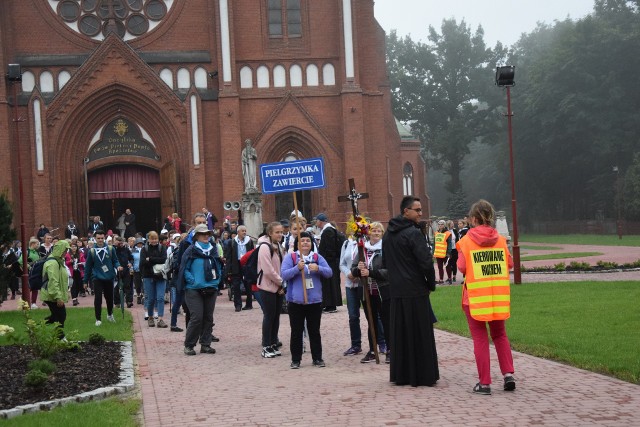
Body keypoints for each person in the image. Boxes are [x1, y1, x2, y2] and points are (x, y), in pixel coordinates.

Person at [456, 199, 516, 395]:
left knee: (480, 338)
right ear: (490, 217)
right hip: (497, 296)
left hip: (474, 298)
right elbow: (509, 264)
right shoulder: (500, 239)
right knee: (500, 335)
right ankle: (508, 375)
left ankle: (485, 383)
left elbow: (462, 267)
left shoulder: (465, 241)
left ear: (473, 219)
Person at [382, 196, 439, 387]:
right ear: (406, 211)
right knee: (420, 333)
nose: (421, 213)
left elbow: (385, 263)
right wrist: (430, 284)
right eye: (418, 210)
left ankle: (402, 374)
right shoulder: (413, 233)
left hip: (396, 290)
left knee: (401, 334)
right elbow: (425, 262)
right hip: (415, 290)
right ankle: (423, 374)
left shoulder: (388, 235)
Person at [281, 231, 333, 368]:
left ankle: (317, 358)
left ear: (311, 244)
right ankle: (296, 359)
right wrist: (297, 268)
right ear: (297, 244)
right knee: (296, 331)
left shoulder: (316, 257)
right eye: (302, 241)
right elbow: (284, 275)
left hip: (314, 301)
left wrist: (318, 268)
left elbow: (329, 272)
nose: (305, 243)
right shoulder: (291, 257)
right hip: (295, 301)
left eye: (307, 241)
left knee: (314, 331)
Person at [176, 224, 222, 355]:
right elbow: (184, 269)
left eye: (207, 233)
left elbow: (218, 266)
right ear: (196, 236)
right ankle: (189, 345)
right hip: (193, 289)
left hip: (211, 288)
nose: (206, 236)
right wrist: (193, 281)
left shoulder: (213, 249)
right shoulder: (191, 250)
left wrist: (216, 281)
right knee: (196, 317)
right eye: (203, 234)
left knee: (208, 317)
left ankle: (205, 344)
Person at [352, 222, 390, 364]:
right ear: (369, 232)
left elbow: (389, 271)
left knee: (387, 320)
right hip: (367, 291)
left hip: (383, 290)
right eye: (373, 230)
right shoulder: (362, 249)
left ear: (382, 233)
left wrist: (371, 273)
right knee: (371, 321)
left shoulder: (386, 249)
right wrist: (358, 269)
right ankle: (373, 350)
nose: (375, 233)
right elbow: (353, 268)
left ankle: (390, 350)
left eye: (378, 231)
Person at [257, 221, 284, 358]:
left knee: (276, 316)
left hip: (278, 286)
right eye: (277, 232)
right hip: (267, 287)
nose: (280, 234)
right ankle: (266, 346)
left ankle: (273, 342)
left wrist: (281, 284)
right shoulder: (264, 247)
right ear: (270, 233)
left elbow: (282, 266)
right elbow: (267, 270)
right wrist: (281, 282)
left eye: (281, 232)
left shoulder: (278, 246)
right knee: (269, 316)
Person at [84, 230, 122, 326]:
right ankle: (98, 319)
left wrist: (118, 266)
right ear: (95, 239)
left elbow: (115, 261)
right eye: (98, 238)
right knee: (98, 298)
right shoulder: (92, 251)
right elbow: (88, 267)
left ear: (104, 238)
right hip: (97, 277)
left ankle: (110, 314)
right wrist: (85, 281)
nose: (100, 240)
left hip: (109, 277)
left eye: (102, 238)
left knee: (109, 298)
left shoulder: (110, 249)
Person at [41, 240, 71, 340]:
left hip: (52, 293)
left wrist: (65, 292)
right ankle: (60, 338)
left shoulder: (58, 261)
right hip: (51, 295)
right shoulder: (53, 263)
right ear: (59, 249)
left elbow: (61, 280)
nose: (66, 252)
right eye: (65, 250)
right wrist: (58, 297)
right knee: (61, 316)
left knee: (55, 316)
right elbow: (53, 282)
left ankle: (36, 327)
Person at [316, 213, 343, 313]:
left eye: (317, 220)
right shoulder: (330, 230)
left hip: (329, 262)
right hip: (331, 262)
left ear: (321, 221)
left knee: (330, 283)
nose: (316, 222)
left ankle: (331, 305)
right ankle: (328, 304)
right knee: (330, 283)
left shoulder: (328, 231)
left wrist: (325, 260)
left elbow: (330, 248)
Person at [140, 231, 168, 328]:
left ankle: (160, 319)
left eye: (155, 238)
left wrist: (150, 259)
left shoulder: (162, 248)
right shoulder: (144, 249)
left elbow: (164, 260)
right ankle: (151, 317)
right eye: (152, 238)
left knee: (160, 298)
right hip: (148, 276)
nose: (154, 240)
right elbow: (143, 262)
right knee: (150, 298)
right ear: (148, 239)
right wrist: (155, 259)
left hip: (160, 276)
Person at [340, 234, 362, 356]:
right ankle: (356, 344)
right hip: (350, 284)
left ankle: (381, 342)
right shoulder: (346, 244)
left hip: (363, 283)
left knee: (373, 315)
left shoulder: (366, 243)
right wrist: (349, 273)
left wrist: (358, 274)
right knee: (353, 316)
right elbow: (342, 263)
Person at [224, 225, 255, 311]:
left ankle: (249, 304)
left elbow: (252, 254)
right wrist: (228, 269)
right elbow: (229, 256)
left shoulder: (249, 241)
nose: (244, 232)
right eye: (242, 231)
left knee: (248, 285)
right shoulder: (232, 242)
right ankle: (238, 305)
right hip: (236, 265)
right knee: (236, 286)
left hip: (246, 265)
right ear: (238, 232)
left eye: (245, 231)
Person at [434, 220, 453, 284]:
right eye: (439, 224)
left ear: (444, 225)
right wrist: (433, 252)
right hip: (438, 253)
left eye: (441, 224)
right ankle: (441, 279)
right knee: (440, 267)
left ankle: (450, 279)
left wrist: (449, 252)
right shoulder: (436, 233)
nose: (440, 225)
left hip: (445, 253)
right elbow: (434, 243)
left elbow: (450, 243)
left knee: (447, 267)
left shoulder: (447, 233)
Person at [66, 241, 85, 306]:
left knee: (79, 285)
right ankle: (74, 299)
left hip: (79, 271)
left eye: (75, 246)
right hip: (71, 272)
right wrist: (70, 262)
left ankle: (76, 297)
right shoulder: (67, 254)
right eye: (72, 246)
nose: (73, 248)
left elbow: (84, 262)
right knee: (73, 285)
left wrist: (80, 263)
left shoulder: (80, 254)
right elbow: (65, 263)